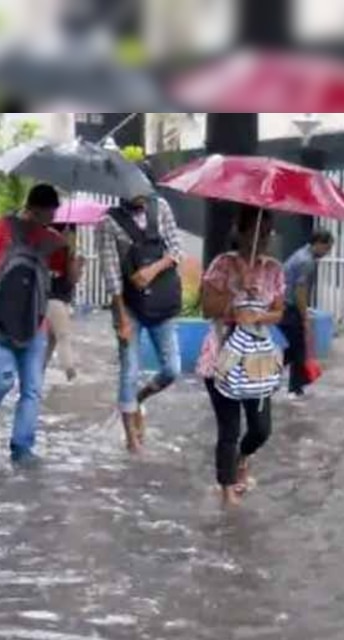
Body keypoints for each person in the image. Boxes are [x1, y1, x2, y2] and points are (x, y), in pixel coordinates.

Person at [0, 184, 68, 464]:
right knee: (2, 379)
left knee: (32, 388)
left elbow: (63, 282)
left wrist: (70, 255)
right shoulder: (3, 227)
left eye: (54, 213)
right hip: (0, 322)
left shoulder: (52, 239)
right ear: (34, 208)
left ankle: (21, 448)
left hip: (35, 324)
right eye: (49, 212)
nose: (51, 217)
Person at [198, 206, 286, 508]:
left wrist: (259, 314)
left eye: (267, 233)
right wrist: (236, 293)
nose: (261, 239)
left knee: (261, 429)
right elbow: (206, 308)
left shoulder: (273, 269)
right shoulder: (223, 264)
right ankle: (226, 490)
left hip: (258, 360)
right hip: (222, 358)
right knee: (229, 429)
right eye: (256, 232)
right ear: (241, 231)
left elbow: (278, 310)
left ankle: (243, 457)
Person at [102, 184, 184, 453]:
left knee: (172, 369)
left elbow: (177, 250)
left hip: (162, 302)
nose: (138, 194)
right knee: (129, 371)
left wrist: (152, 270)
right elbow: (112, 275)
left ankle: (138, 399)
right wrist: (121, 318)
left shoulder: (161, 208)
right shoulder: (108, 222)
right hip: (130, 306)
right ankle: (132, 440)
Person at [281, 230, 334, 397]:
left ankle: (266, 374)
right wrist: (304, 316)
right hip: (288, 308)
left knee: (295, 348)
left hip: (283, 306)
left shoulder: (300, 254)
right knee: (299, 349)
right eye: (327, 248)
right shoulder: (306, 261)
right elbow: (300, 291)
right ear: (318, 243)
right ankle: (294, 390)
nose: (327, 253)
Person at [44, 223, 81, 382]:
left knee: (51, 340)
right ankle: (70, 371)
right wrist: (76, 263)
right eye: (73, 232)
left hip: (49, 299)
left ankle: (36, 374)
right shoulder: (63, 250)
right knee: (63, 335)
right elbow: (73, 279)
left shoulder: (44, 247)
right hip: (55, 300)